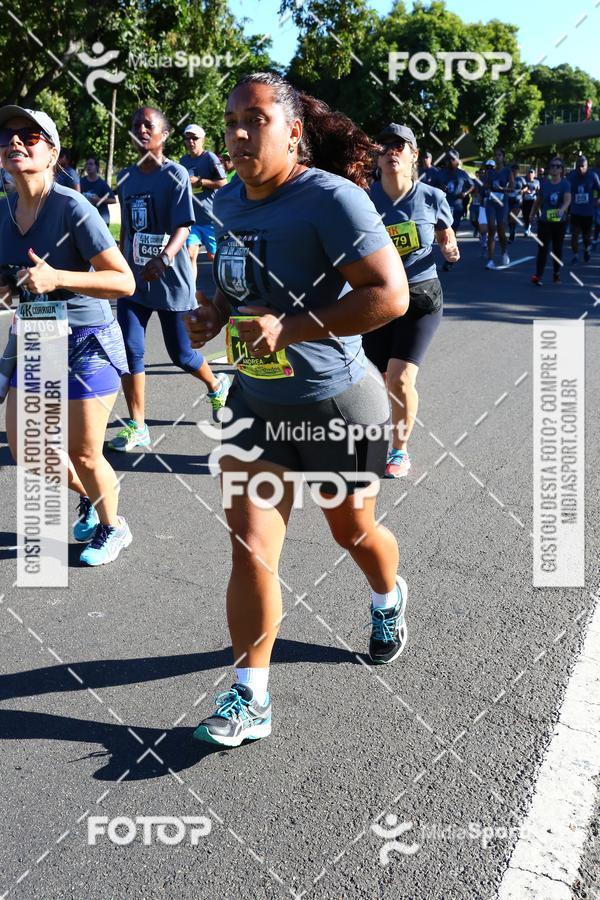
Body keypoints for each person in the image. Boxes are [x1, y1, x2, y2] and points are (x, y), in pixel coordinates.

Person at [185, 72, 410, 747]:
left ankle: (387, 597)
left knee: (353, 534)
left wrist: (293, 326)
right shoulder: (226, 201)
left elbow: (390, 294)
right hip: (256, 404)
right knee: (251, 551)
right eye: (230, 121)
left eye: (254, 119)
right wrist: (212, 313)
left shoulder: (330, 200)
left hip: (339, 404)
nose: (238, 133)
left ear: (292, 131)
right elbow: (231, 284)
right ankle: (250, 696)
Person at [0, 105, 135, 565]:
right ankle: (95, 501)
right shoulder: (5, 212)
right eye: (8, 136)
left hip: (87, 342)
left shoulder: (73, 206)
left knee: (82, 451)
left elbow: (124, 281)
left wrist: (58, 278)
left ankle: (114, 527)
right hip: (38, 340)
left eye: (30, 136)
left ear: (52, 152)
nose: (15, 142)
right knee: (28, 451)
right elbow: (14, 283)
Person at [108, 107, 230, 452]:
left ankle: (216, 385)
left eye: (149, 125)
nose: (141, 130)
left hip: (170, 279)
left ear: (163, 135)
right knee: (130, 349)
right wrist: (120, 264)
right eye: (135, 125)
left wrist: (163, 258)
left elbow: (183, 226)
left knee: (181, 354)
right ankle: (138, 424)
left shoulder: (175, 174)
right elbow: (128, 230)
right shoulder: (126, 177)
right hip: (135, 281)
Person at [362, 123, 457, 479]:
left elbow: (444, 231)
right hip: (378, 299)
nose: (391, 151)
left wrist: (449, 247)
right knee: (377, 379)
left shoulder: (432, 197)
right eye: (384, 145)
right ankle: (370, 436)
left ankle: (399, 450)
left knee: (400, 379)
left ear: (414, 155)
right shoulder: (365, 198)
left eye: (399, 145)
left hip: (421, 296)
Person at [179, 123, 227, 287]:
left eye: (195, 138)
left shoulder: (210, 158)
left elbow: (223, 183)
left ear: (202, 140)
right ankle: (190, 292)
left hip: (210, 218)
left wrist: (200, 182)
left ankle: (221, 291)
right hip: (193, 219)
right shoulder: (183, 161)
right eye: (187, 138)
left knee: (213, 257)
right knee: (191, 253)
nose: (191, 142)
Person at [530, 158, 571, 286]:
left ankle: (556, 274)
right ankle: (538, 275)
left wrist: (562, 210)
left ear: (561, 169)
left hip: (559, 222)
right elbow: (538, 200)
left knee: (557, 248)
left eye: (557, 166)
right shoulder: (544, 183)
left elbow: (567, 200)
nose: (554, 168)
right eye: (552, 166)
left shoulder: (565, 184)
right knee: (542, 248)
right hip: (545, 221)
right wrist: (532, 213)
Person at [435, 149, 472, 268]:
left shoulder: (462, 174)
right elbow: (432, 186)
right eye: (447, 159)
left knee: (452, 231)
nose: (449, 161)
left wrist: (465, 193)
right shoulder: (440, 173)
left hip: (457, 205)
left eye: (452, 159)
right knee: (444, 231)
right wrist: (440, 188)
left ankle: (449, 259)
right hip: (443, 205)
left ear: (457, 160)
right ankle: (448, 258)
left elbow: (472, 185)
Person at [482, 147, 513, 269]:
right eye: (495, 155)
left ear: (503, 157)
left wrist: (502, 189)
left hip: (502, 202)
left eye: (499, 155)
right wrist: (488, 188)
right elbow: (486, 185)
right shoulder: (490, 172)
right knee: (491, 228)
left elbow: (512, 187)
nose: (497, 157)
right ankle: (490, 260)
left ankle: (504, 252)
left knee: (501, 228)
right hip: (491, 202)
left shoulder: (507, 171)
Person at [566, 155, 600, 263]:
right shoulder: (571, 176)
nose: (580, 169)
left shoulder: (593, 176)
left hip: (588, 212)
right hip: (575, 211)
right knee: (574, 235)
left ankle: (586, 249)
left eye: (583, 166)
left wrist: (597, 200)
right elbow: (565, 190)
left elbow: (599, 190)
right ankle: (575, 255)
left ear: (587, 166)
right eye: (578, 166)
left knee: (586, 237)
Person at [80, 157, 117, 226]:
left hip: (101, 218)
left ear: (96, 167)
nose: (88, 166)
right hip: (85, 219)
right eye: (87, 164)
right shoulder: (81, 182)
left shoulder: (102, 184)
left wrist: (99, 200)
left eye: (91, 164)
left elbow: (113, 200)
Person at [507, 164, 525, 242]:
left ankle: (512, 234)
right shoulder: (508, 179)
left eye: (516, 171)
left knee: (513, 217)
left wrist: (522, 191)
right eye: (513, 171)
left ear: (518, 171)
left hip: (517, 200)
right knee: (509, 218)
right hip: (508, 200)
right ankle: (512, 230)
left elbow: (526, 186)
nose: (514, 172)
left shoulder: (520, 179)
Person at [521, 168, 540, 236]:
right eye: (529, 173)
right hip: (525, 200)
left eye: (532, 173)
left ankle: (528, 228)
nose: (530, 174)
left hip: (533, 200)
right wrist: (525, 191)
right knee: (525, 215)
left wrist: (538, 198)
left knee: (530, 215)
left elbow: (538, 191)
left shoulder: (537, 181)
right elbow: (522, 190)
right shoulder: (525, 181)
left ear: (534, 174)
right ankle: (527, 226)